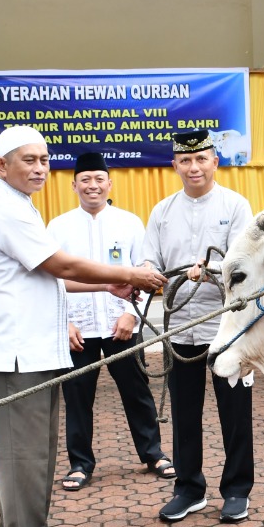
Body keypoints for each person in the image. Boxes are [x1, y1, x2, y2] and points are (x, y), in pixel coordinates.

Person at [0, 126, 163, 527]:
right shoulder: (8, 210)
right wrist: (131, 275)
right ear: (2, 166)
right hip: (14, 354)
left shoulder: (20, 207)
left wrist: (112, 283)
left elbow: (49, 275)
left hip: (33, 350)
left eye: (43, 159)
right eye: (28, 160)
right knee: (23, 451)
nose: (40, 167)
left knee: (37, 449)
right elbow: (61, 264)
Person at [142, 129, 254, 524]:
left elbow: (245, 265)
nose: (194, 167)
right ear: (175, 165)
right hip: (181, 331)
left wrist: (211, 272)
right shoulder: (163, 211)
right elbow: (148, 260)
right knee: (186, 414)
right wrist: (145, 275)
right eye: (185, 160)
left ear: (214, 162)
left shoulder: (236, 206)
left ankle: (237, 490)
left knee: (234, 413)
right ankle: (188, 489)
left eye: (201, 159)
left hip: (227, 330)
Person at [47, 152, 170, 492]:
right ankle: (80, 464)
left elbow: (145, 274)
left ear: (109, 183)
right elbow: (51, 280)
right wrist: (65, 322)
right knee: (77, 398)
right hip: (78, 330)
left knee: (137, 393)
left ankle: (153, 453)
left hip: (122, 326)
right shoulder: (58, 227)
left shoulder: (129, 223)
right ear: (74, 185)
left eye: (98, 179)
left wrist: (132, 314)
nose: (92, 186)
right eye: (85, 180)